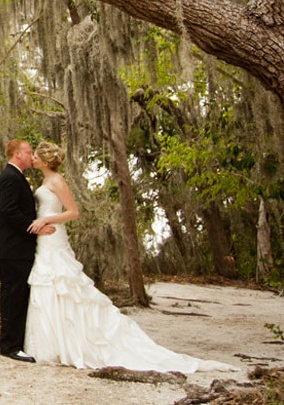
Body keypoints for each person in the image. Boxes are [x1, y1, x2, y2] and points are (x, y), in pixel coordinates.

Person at [24, 141, 233, 372]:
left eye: (35, 155)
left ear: (44, 160)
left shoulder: (56, 180)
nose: (32, 158)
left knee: (63, 284)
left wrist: (46, 220)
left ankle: (73, 343)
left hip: (54, 237)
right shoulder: (44, 180)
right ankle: (52, 343)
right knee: (48, 284)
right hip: (44, 238)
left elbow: (73, 212)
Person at [0, 139, 50, 363]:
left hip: (19, 250)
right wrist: (34, 227)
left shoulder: (16, 177)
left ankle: (16, 341)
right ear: (17, 154)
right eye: (28, 152)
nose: (31, 156)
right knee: (13, 296)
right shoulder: (9, 177)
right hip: (14, 249)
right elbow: (8, 211)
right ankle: (10, 346)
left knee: (18, 295)